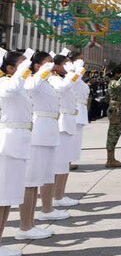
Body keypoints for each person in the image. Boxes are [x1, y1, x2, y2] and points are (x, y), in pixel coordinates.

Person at [22, 50, 66, 231]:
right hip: (38, 133)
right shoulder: (34, 81)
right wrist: (41, 72)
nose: (53, 66)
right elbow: (30, 88)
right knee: (30, 180)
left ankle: (41, 214)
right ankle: (26, 226)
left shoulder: (46, 82)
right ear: (38, 65)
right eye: (48, 63)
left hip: (48, 131)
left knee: (43, 176)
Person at [1, 49, 39, 252]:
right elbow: (11, 88)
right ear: (10, 68)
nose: (29, 68)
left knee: (7, 196)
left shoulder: (20, 85)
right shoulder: (5, 83)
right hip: (8, 143)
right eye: (23, 64)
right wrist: (22, 70)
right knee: (2, 196)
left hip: (19, 141)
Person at [47, 53, 79, 210]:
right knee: (60, 162)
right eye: (65, 64)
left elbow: (74, 87)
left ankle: (60, 194)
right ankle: (57, 196)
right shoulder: (53, 79)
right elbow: (62, 88)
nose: (68, 67)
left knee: (65, 161)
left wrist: (74, 74)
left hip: (68, 121)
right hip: (61, 123)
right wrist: (72, 73)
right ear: (56, 66)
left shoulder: (63, 78)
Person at [105, 63, 121, 168]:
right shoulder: (113, 82)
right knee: (113, 134)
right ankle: (110, 160)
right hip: (116, 111)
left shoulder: (117, 81)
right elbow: (118, 85)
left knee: (117, 133)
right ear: (117, 74)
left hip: (119, 110)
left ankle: (112, 158)